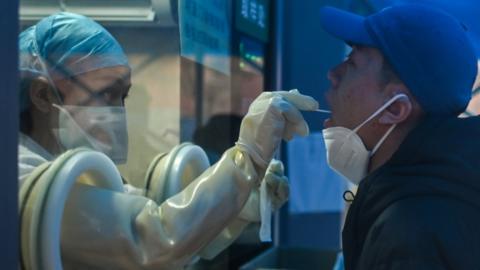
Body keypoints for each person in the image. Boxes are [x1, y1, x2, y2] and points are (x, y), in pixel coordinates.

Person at [18, 12, 317, 269]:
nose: (118, 112)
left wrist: (240, 209)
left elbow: (165, 219)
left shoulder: (66, 169)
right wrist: (246, 159)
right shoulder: (22, 176)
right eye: (105, 94)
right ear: (44, 95)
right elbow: (154, 240)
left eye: (122, 97)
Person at [318, 4, 479, 270]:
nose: (333, 74)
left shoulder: (408, 236)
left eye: (352, 62)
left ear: (395, 109)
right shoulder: (445, 191)